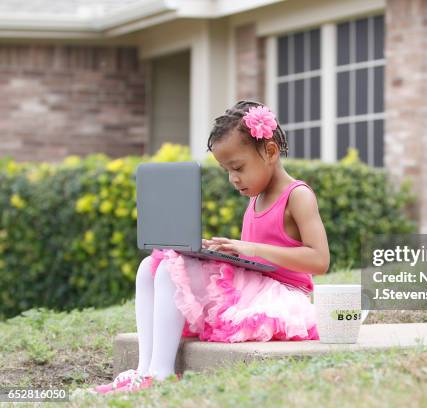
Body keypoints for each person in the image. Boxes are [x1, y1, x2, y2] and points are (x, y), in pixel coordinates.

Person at [93, 100, 329, 394]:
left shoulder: (298, 195)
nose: (233, 179)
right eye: (226, 171)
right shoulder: (256, 198)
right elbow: (255, 256)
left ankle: (162, 374)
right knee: (148, 267)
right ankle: (144, 370)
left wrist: (250, 249)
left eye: (238, 167)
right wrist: (226, 252)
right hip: (257, 286)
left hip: (285, 297)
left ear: (269, 151)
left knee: (169, 270)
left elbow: (319, 260)